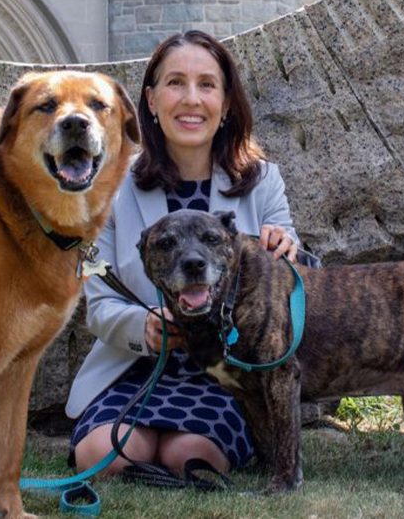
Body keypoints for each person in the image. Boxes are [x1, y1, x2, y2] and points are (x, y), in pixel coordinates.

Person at [65, 30, 301, 480]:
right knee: (104, 455)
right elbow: (98, 305)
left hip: (230, 375)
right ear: (151, 101)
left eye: (206, 85)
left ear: (227, 102)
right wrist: (145, 328)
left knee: (190, 455)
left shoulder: (263, 181)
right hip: (135, 368)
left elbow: (290, 283)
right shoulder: (109, 185)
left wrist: (287, 252)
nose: (191, 99)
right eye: (175, 83)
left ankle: (185, 450)